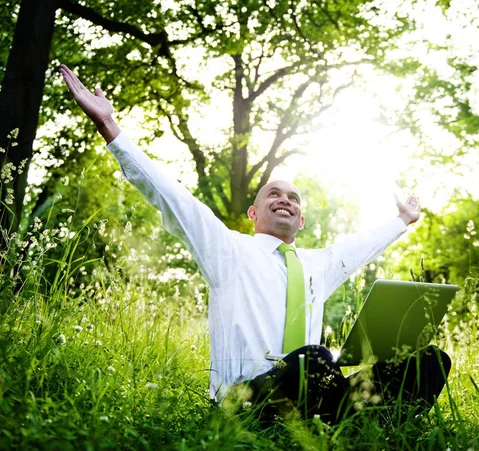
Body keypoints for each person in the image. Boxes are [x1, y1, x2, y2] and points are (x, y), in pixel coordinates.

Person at [59, 64, 451, 425]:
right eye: (273, 194)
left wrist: (402, 220)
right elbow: (171, 196)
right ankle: (339, 425)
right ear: (253, 212)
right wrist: (109, 124)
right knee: (313, 360)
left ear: (301, 220)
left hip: (311, 390)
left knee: (430, 361)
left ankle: (356, 430)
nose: (284, 199)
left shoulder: (319, 265)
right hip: (245, 402)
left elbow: (359, 247)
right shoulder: (228, 250)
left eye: (293, 198)